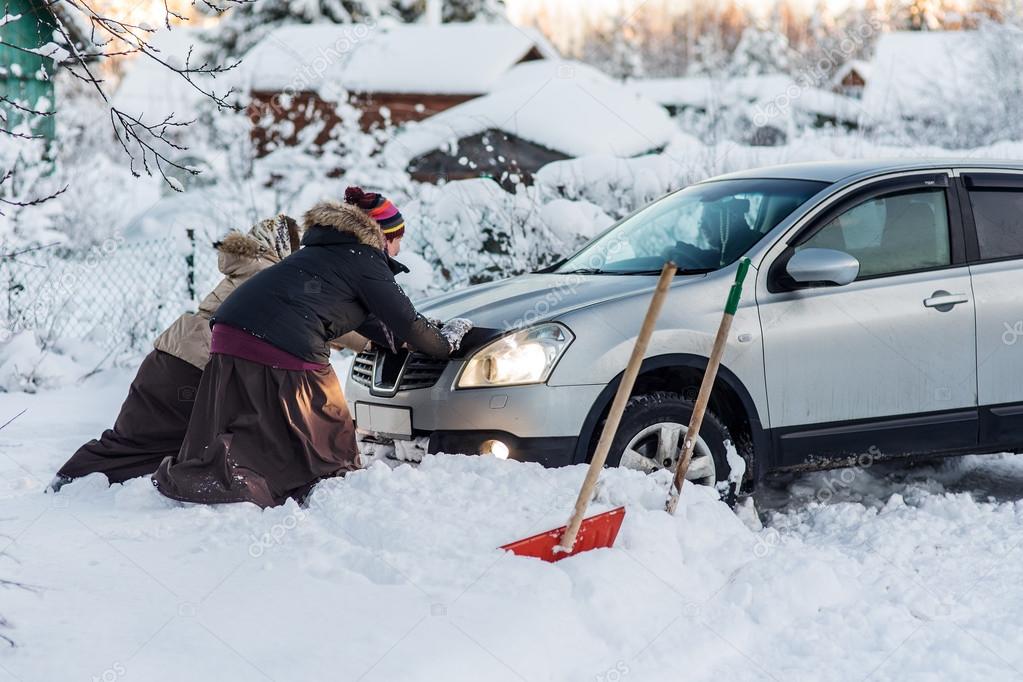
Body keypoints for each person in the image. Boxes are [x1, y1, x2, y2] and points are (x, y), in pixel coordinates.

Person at [152, 188, 471, 508]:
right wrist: (445, 343)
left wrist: (408, 335)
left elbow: (374, 322)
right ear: (383, 236)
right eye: (399, 237)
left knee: (264, 425)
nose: (400, 248)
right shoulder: (365, 258)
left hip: (227, 336)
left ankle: (251, 476)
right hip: (282, 341)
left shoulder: (325, 254)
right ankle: (335, 493)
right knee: (329, 422)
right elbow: (406, 321)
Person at [50, 215, 301, 491]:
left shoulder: (248, 268)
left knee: (141, 439)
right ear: (283, 247)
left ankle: (75, 481)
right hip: (192, 366)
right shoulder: (266, 274)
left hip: (166, 359)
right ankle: (73, 481)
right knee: (152, 442)